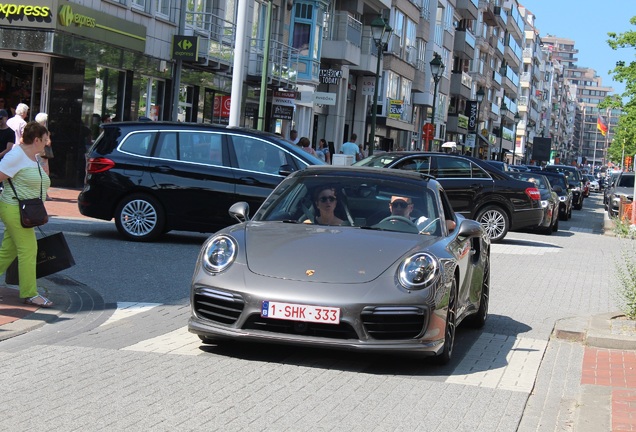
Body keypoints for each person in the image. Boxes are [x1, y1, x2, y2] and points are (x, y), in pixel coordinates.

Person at [0, 121, 53, 307]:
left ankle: (29, 292)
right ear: (37, 140)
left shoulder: (32, 156)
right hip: (14, 209)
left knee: (8, 251)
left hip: (23, 211)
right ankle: (30, 293)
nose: (47, 143)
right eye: (45, 139)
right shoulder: (16, 155)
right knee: (29, 249)